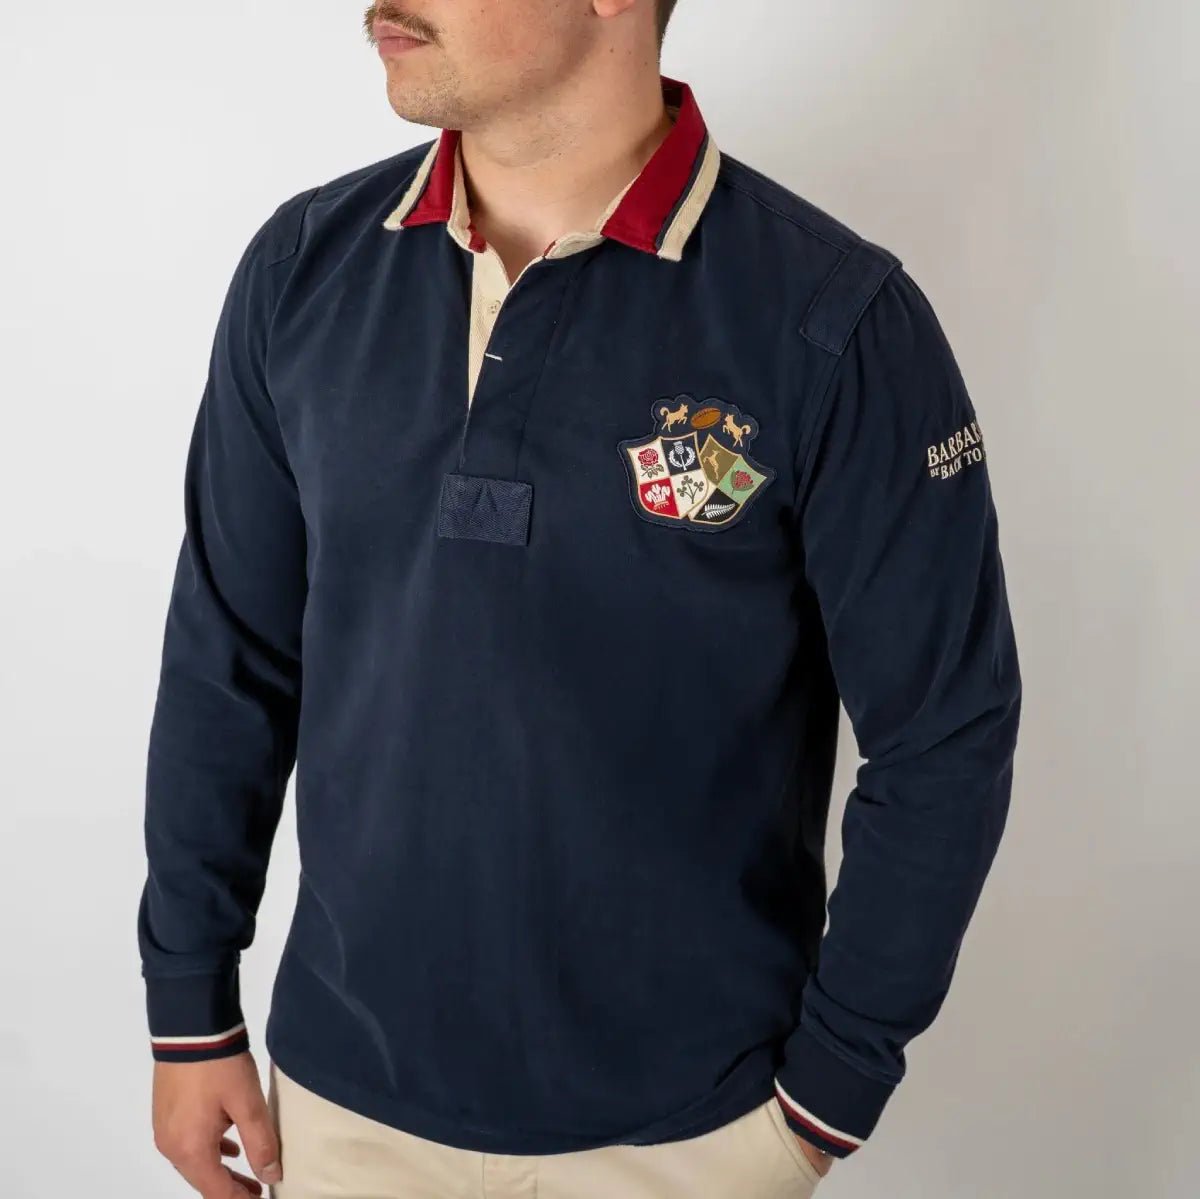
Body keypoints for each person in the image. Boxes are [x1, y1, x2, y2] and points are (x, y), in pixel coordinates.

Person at [138, 1, 1022, 1195]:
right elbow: (229, 658)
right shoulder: (304, 268)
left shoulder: (834, 317)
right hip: (342, 1116)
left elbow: (944, 734)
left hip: (689, 1137)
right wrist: (189, 1007)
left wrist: (827, 1093)